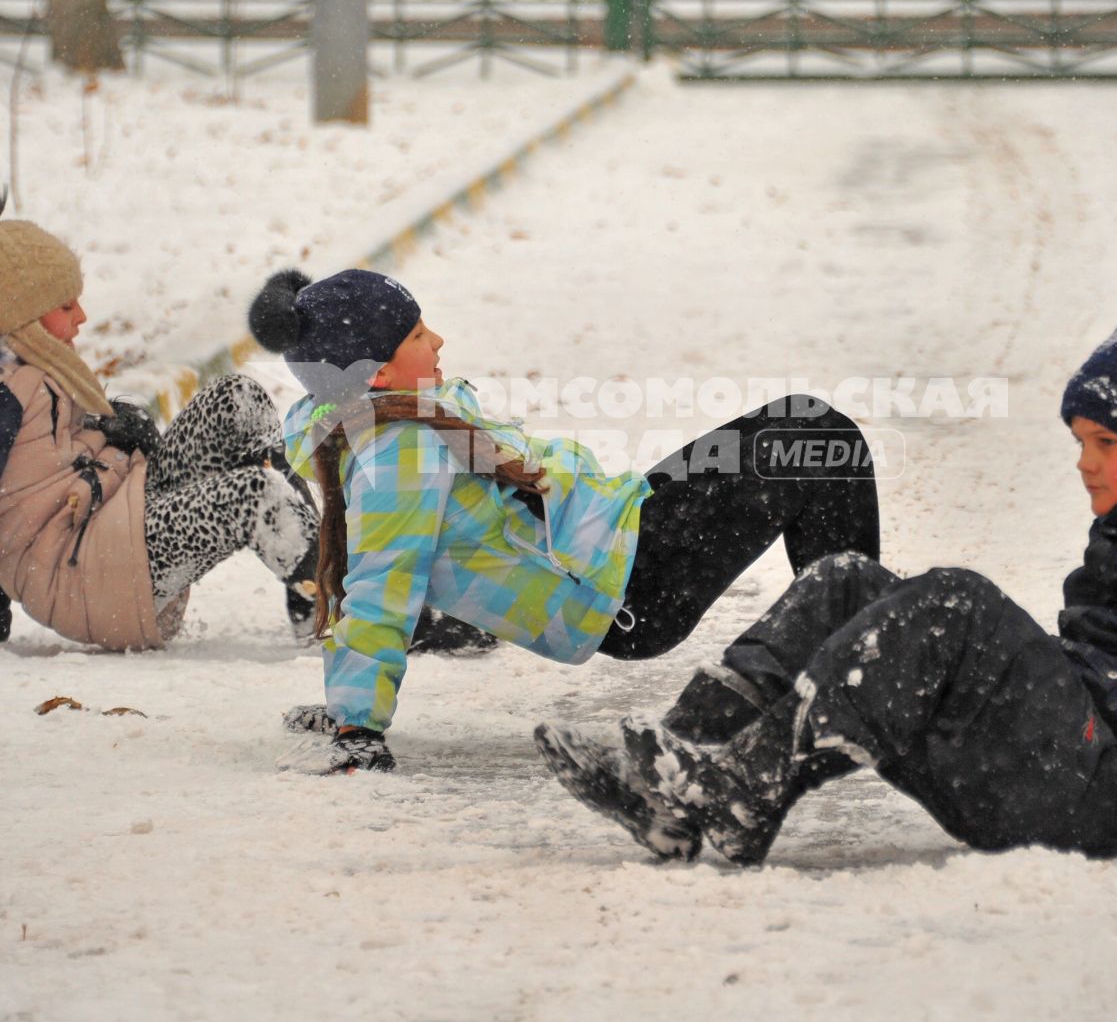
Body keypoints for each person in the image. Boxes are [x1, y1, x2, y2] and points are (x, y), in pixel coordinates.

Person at [535, 295, 1117, 869]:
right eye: (1080, 443)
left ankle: (744, 794)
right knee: (850, 578)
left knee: (954, 599)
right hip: (1055, 769)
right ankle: (683, 761)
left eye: (1108, 445)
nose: (1085, 465)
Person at [248, 268, 881, 774]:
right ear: (377, 373)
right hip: (627, 586)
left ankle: (862, 654)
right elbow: (381, 582)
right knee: (817, 441)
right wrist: (355, 722)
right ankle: (867, 668)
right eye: (416, 335)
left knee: (806, 427)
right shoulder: (398, 451)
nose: (437, 339)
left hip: (620, 529)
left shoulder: (394, 415)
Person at [0, 174, 320, 662]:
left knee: (239, 400)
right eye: (65, 304)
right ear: (20, 313)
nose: (81, 315)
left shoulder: (31, 366)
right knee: (255, 496)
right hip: (91, 572)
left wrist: (115, 431)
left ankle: (319, 581)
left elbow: (48, 458)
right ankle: (347, 615)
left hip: (112, 524)